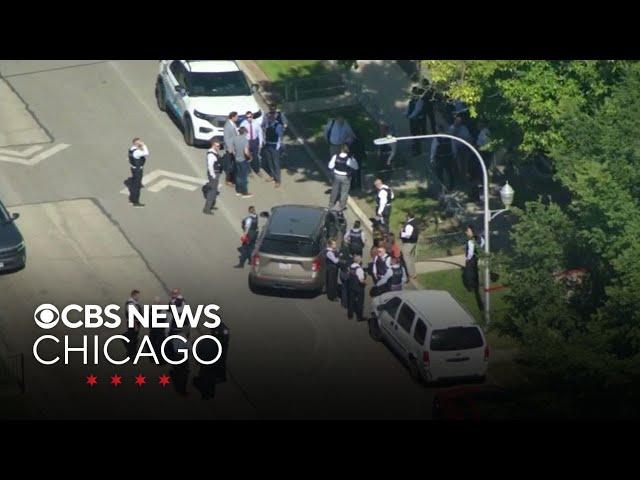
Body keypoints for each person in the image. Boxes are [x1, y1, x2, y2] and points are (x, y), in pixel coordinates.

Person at [328, 144, 359, 212]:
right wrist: (353, 159)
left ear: (341, 150)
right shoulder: (349, 159)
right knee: (344, 192)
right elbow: (356, 167)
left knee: (334, 190)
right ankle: (341, 206)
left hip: (336, 175)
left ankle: (331, 203)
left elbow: (330, 166)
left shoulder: (335, 156)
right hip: (345, 177)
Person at [463, 225, 485, 311]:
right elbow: (483, 243)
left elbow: (470, 253)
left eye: (468, 231)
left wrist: (468, 259)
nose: (466, 232)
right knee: (475, 272)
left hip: (471, 260)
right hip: (477, 257)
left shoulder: (470, 241)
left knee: (469, 274)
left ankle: (470, 287)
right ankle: (476, 285)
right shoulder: (479, 237)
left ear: (472, 231)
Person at [262, 111, 285, 188]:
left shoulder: (278, 125)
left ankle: (278, 180)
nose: (269, 119)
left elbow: (280, 137)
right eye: (269, 118)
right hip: (267, 145)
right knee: (270, 162)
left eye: (271, 117)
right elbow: (264, 133)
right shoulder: (267, 125)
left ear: (274, 118)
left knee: (276, 164)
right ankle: (272, 175)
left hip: (274, 146)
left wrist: (279, 146)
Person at [448, 114, 473, 184]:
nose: (458, 122)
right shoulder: (451, 128)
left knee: (464, 164)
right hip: (455, 149)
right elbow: (451, 137)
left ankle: (464, 178)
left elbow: (468, 137)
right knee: (456, 164)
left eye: (460, 120)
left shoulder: (464, 128)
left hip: (464, 148)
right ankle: (458, 178)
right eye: (457, 120)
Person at [230, 126, 253, 198]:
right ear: (245, 132)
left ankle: (238, 191)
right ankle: (245, 192)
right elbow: (246, 152)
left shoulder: (235, 139)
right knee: (244, 177)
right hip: (243, 160)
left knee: (238, 176)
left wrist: (235, 156)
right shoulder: (245, 140)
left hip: (236, 160)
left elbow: (232, 150)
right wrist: (250, 157)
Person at [430, 126, 455, 192]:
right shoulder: (449, 138)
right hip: (449, 158)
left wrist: (432, 158)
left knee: (439, 174)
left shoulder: (436, 139)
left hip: (440, 158)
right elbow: (453, 147)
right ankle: (451, 187)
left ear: (438, 130)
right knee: (450, 173)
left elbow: (433, 149)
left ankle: (442, 188)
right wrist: (454, 155)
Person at [240, 111, 263, 176]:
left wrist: (260, 143)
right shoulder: (243, 124)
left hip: (255, 141)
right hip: (247, 141)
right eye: (247, 117)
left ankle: (257, 170)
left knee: (256, 157)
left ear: (252, 116)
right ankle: (248, 171)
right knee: (247, 156)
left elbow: (260, 133)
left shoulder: (256, 123)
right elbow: (241, 134)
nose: (249, 118)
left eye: (250, 117)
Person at [203, 140, 223, 215]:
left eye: (219, 146)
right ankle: (207, 209)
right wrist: (213, 176)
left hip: (215, 174)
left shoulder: (214, 152)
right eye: (217, 146)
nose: (219, 147)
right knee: (212, 192)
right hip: (213, 175)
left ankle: (211, 205)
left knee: (214, 191)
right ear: (213, 145)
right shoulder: (211, 155)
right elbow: (210, 166)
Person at [127, 138, 148, 207]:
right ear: (136, 144)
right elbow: (146, 153)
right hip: (137, 170)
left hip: (133, 168)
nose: (141, 142)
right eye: (140, 142)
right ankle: (135, 201)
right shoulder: (137, 152)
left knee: (136, 182)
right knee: (136, 187)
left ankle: (132, 198)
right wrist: (144, 145)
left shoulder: (131, 149)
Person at [399, 210, 419, 279]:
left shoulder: (409, 225)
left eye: (406, 216)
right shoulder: (415, 222)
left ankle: (411, 274)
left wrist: (401, 233)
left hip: (408, 243)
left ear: (408, 216)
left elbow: (408, 235)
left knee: (407, 259)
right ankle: (414, 273)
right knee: (411, 258)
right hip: (413, 243)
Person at [406, 86, 426, 155]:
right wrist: (406, 114)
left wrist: (410, 116)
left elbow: (417, 111)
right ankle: (414, 147)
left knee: (416, 135)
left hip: (417, 120)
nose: (413, 94)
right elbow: (408, 108)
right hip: (412, 120)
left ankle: (418, 150)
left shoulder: (420, 101)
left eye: (414, 93)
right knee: (413, 134)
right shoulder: (411, 101)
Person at [347, 255, 367, 321]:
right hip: (358, 288)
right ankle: (359, 317)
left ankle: (350, 315)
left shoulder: (350, 266)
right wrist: (365, 283)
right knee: (360, 302)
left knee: (351, 301)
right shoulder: (359, 269)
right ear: (359, 260)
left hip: (351, 286)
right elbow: (361, 280)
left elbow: (348, 274)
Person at [123, 289, 142, 357]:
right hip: (133, 323)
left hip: (134, 323)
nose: (139, 297)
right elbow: (131, 315)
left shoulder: (134, 302)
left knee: (133, 338)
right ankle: (132, 354)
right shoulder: (131, 303)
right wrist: (135, 325)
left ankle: (131, 352)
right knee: (133, 339)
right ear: (134, 295)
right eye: (138, 296)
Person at [223, 111, 239, 186]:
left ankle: (233, 179)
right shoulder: (228, 125)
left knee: (234, 164)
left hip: (234, 147)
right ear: (233, 117)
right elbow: (226, 138)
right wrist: (230, 148)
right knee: (230, 165)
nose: (237, 118)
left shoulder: (233, 124)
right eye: (236, 117)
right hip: (230, 149)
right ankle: (228, 180)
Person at [149, 296, 166, 364]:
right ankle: (159, 359)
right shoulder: (162, 310)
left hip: (154, 330)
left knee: (153, 344)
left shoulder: (151, 309)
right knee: (159, 345)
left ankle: (153, 358)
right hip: (158, 330)